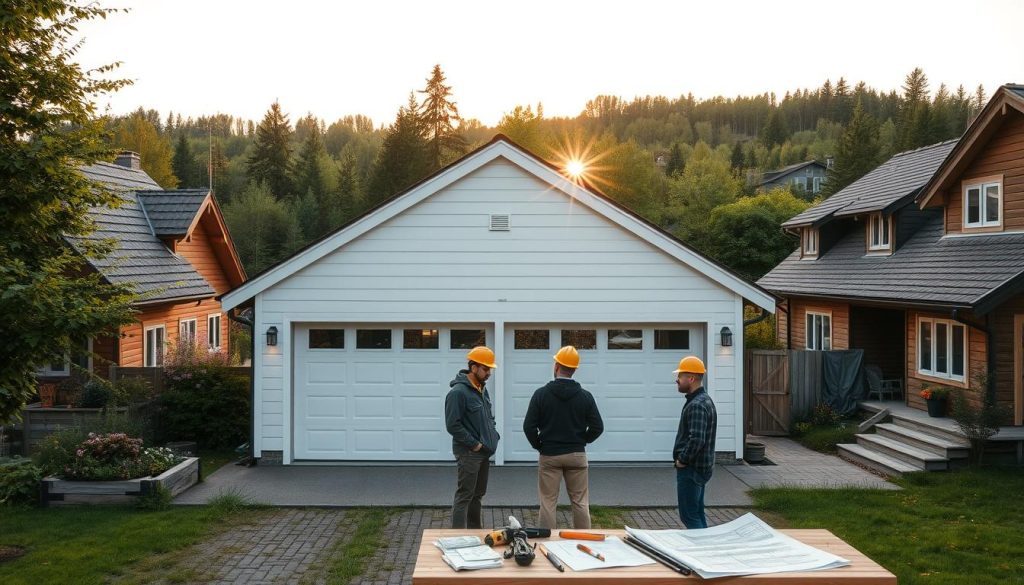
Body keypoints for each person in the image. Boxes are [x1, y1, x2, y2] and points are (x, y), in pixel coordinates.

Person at [523, 345, 604, 529]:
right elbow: (598, 427)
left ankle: (547, 541)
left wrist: (540, 445)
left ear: (556, 366)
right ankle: (585, 539)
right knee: (580, 501)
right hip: (576, 455)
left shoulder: (541, 394)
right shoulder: (585, 396)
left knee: (548, 502)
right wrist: (582, 440)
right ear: (574, 369)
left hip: (550, 455)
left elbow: (528, 426)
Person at [445, 346, 501, 529]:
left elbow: (488, 417)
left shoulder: (482, 389)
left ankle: (475, 534)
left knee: (478, 495)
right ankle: (458, 537)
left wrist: (493, 435)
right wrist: (474, 444)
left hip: (483, 452)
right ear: (473, 367)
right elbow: (453, 425)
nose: (489, 373)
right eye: (486, 369)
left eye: (490, 369)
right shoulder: (458, 392)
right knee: (465, 496)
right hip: (468, 453)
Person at [672, 355, 717, 529]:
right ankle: (707, 550)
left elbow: (697, 439)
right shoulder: (703, 400)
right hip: (699, 469)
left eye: (680, 376)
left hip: (691, 470)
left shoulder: (697, 405)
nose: (677, 380)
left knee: (689, 516)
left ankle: (702, 553)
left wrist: (682, 460)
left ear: (690, 378)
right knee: (696, 513)